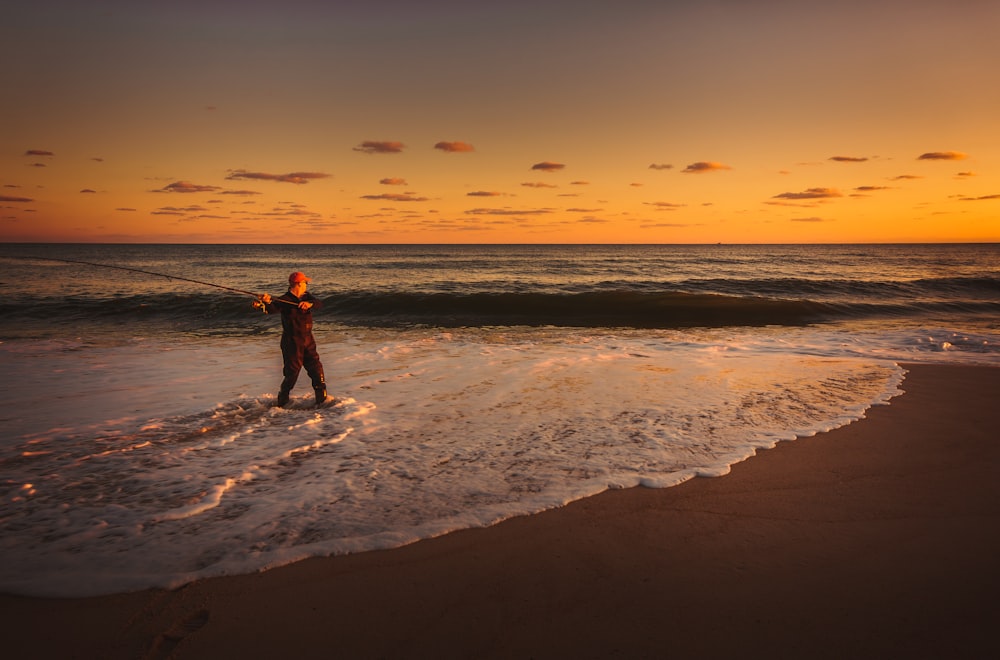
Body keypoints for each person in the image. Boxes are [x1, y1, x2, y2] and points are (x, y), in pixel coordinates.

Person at [254, 271, 327, 407]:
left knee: (317, 370)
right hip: (292, 342)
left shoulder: (307, 297)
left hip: (308, 340)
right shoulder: (285, 300)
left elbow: (319, 304)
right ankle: (281, 404)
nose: (307, 285)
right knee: (292, 373)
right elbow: (272, 309)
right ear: (299, 284)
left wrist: (309, 304)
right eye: (305, 283)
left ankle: (323, 406)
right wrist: (265, 301)